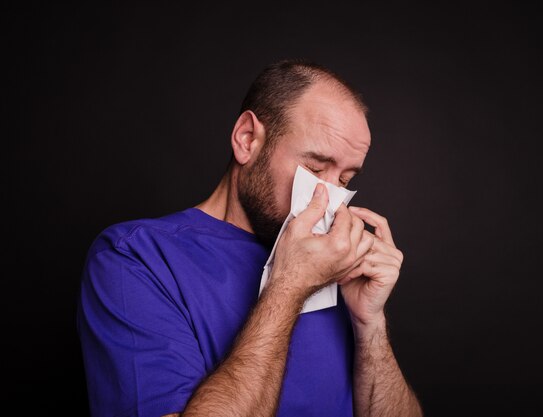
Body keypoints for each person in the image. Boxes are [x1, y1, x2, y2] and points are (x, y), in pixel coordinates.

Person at [77, 59, 423, 417]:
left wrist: (370, 322)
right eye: (315, 168)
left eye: (345, 180)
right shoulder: (136, 257)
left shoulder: (336, 265)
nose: (330, 197)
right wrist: (290, 284)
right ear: (247, 140)